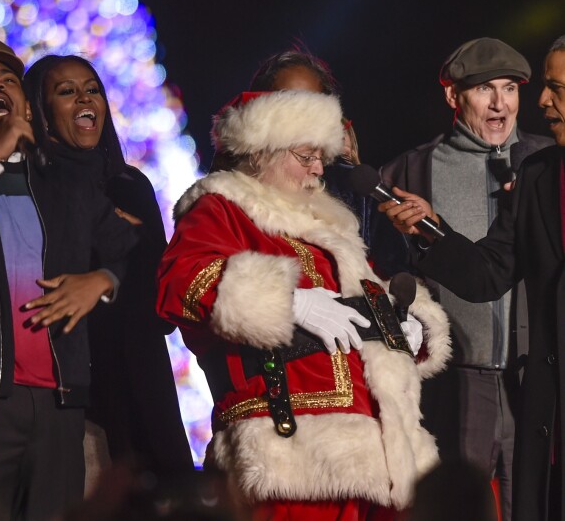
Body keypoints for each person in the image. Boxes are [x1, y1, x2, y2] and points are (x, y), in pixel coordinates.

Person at [157, 88, 451, 520]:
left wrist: (406, 321)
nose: (318, 170)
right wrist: (287, 301)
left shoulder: (326, 222)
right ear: (263, 152)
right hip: (289, 445)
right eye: (305, 155)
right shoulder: (219, 207)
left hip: (376, 444)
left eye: (320, 157)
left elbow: (367, 291)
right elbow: (181, 282)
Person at [378, 34, 565, 521]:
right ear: (454, 96)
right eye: (486, 89)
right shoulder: (413, 171)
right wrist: (429, 235)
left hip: (533, 384)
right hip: (464, 383)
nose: (505, 103)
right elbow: (485, 270)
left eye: (513, 88)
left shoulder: (537, 162)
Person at [0, 37, 137, 520]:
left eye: (8, 79)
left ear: (27, 102)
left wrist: (102, 280)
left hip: (59, 398)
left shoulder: (66, 183)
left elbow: (126, 245)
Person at [23, 54, 194, 479]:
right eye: (66, 91)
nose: (84, 97)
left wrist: (103, 280)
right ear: (40, 113)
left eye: (92, 88)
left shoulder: (131, 186)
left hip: (140, 385)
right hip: (62, 394)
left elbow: (160, 288)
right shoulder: (26, 186)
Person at [246, 48, 410, 278]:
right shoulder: (226, 194)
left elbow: (393, 273)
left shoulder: (351, 188)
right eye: (287, 107)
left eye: (313, 109)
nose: (300, 119)